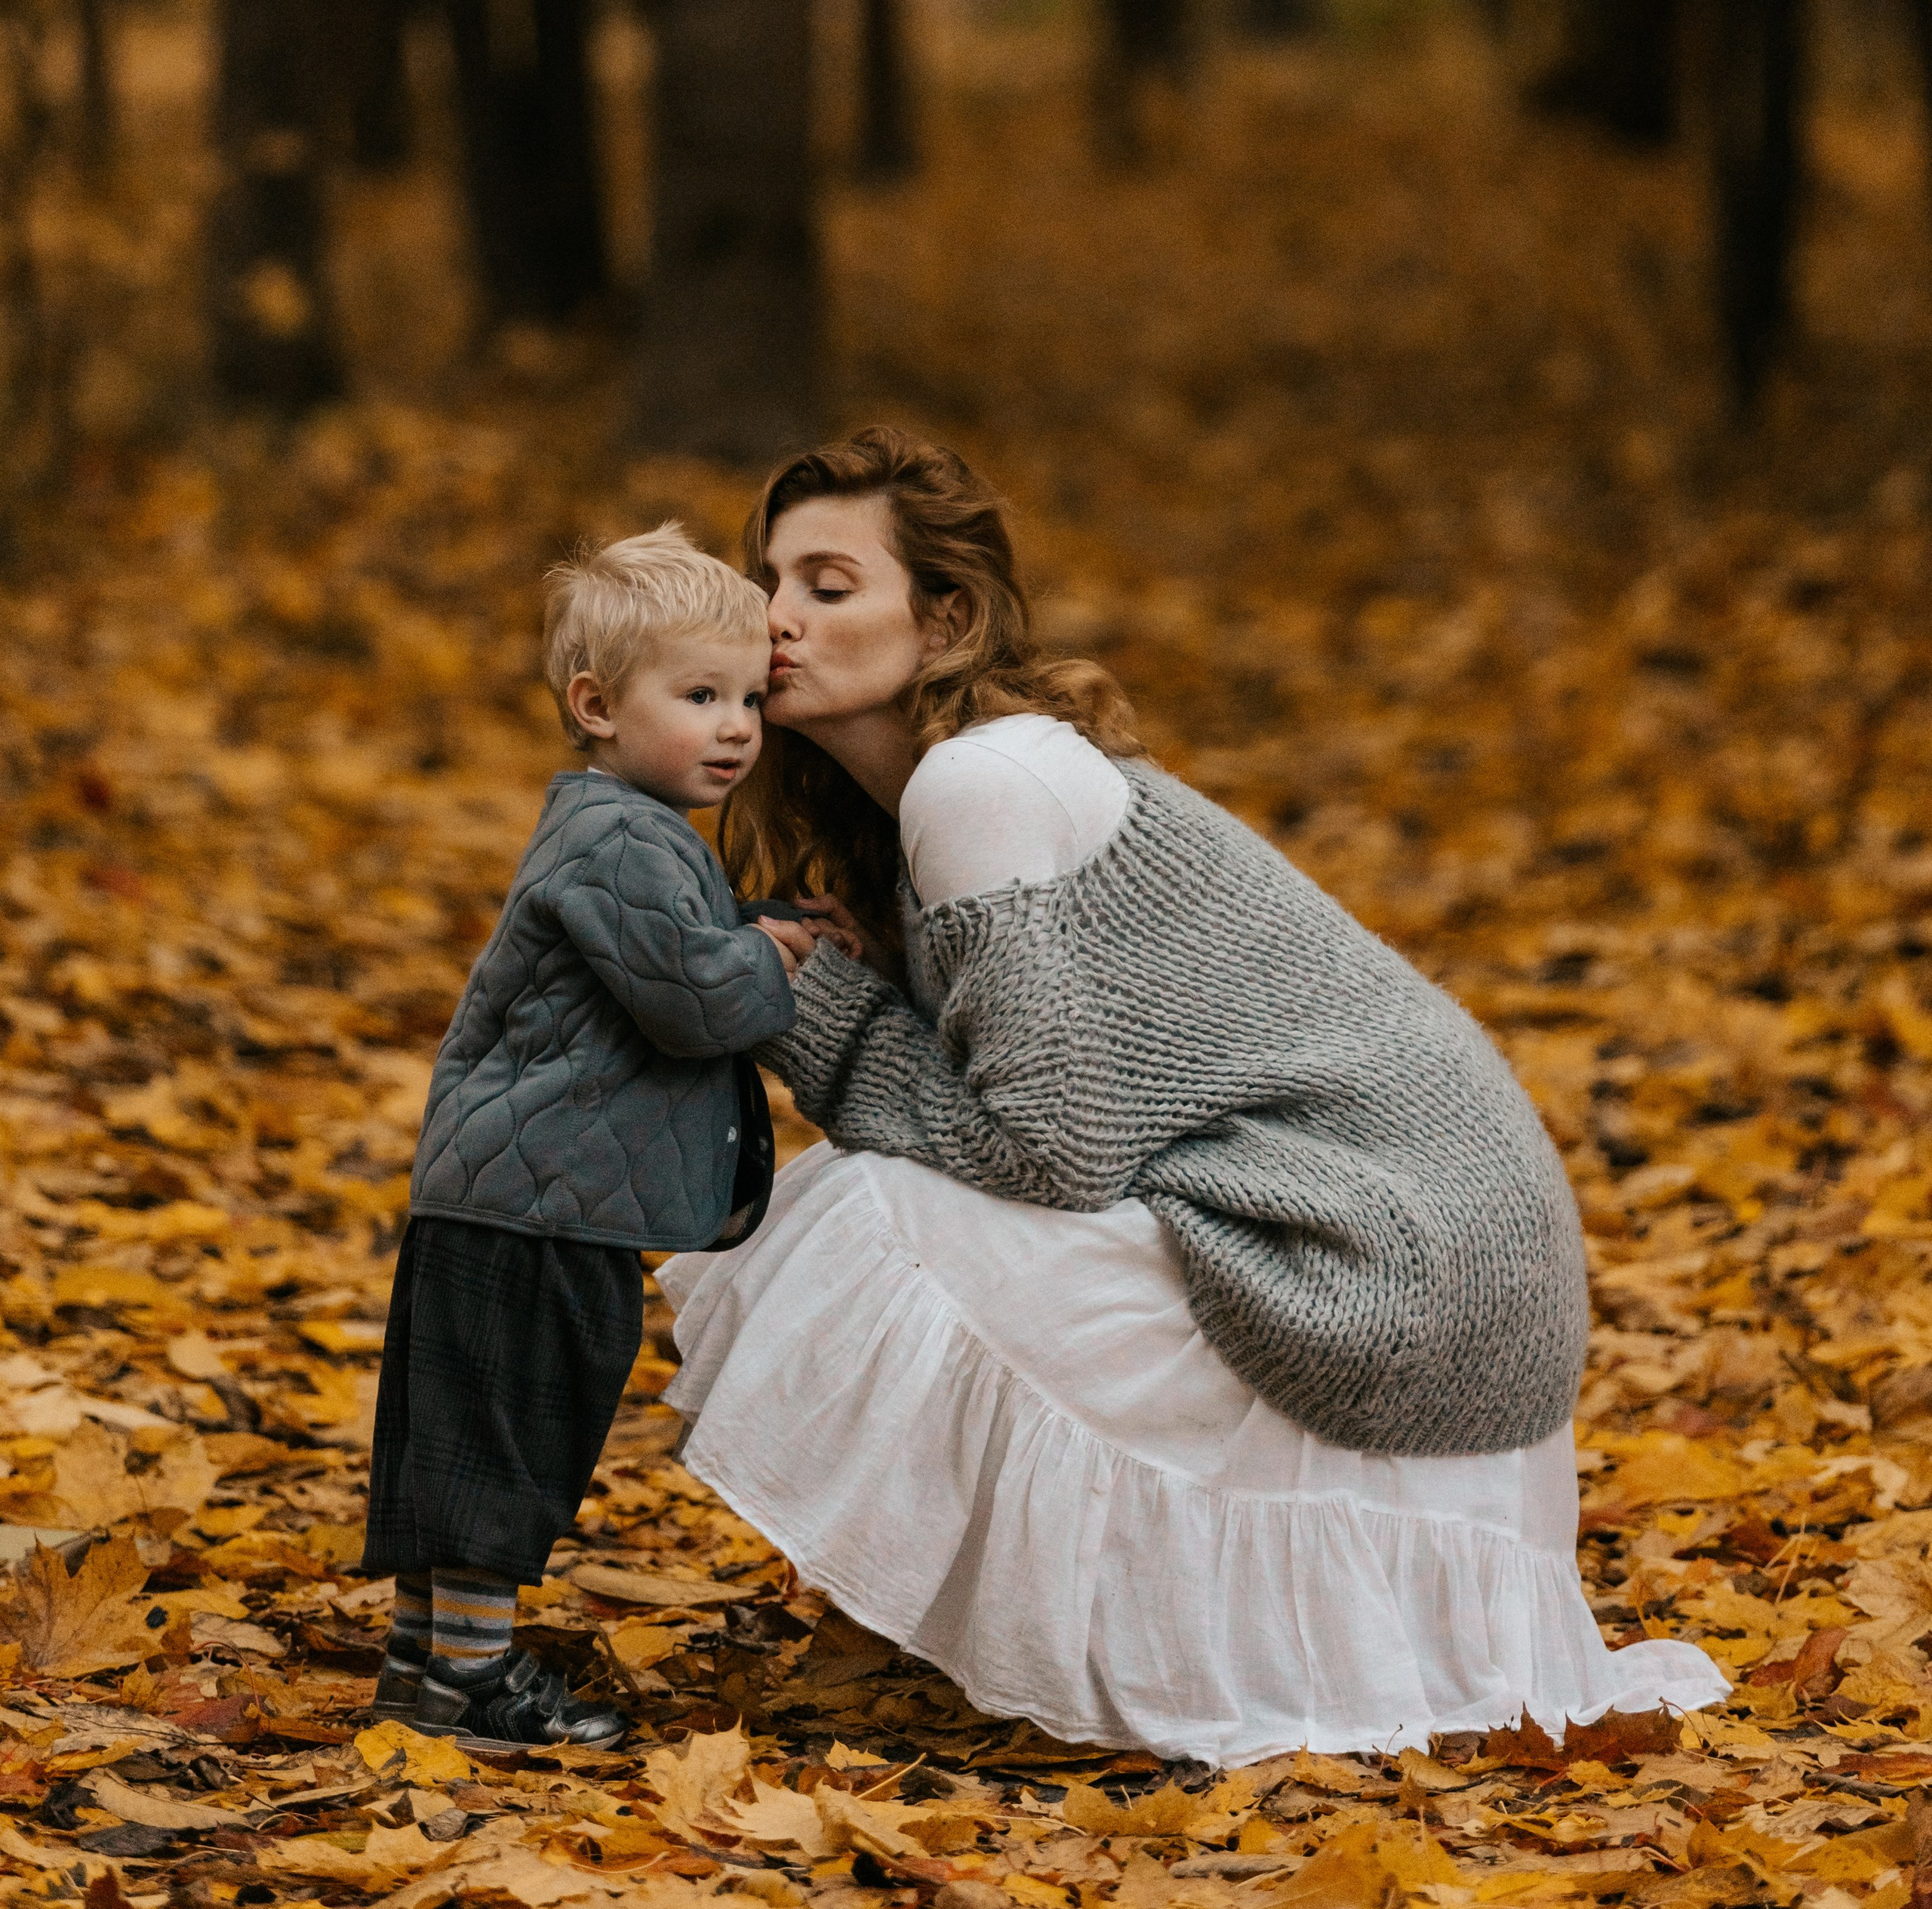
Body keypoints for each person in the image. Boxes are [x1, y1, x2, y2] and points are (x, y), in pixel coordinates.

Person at [658, 429, 1726, 1765]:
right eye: (772, 581)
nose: (777, 620)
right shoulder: (955, 789)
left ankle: (1033, 1638)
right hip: (1443, 1253)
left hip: (1403, 1259)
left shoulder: (978, 782)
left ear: (944, 622)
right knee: (886, 1195)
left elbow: (1047, 1150)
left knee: (859, 1210)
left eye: (828, 585)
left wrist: (813, 1012)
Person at [362, 527, 805, 1752]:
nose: (737, 728)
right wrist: (772, 959)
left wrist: (758, 922)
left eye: (751, 701)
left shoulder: (635, 835)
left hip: (523, 1195)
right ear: (596, 706)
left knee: (468, 1436)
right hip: (537, 1203)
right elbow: (692, 997)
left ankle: (427, 1665)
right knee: (510, 1435)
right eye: (701, 696)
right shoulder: (617, 836)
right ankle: (471, 1680)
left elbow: (677, 947)